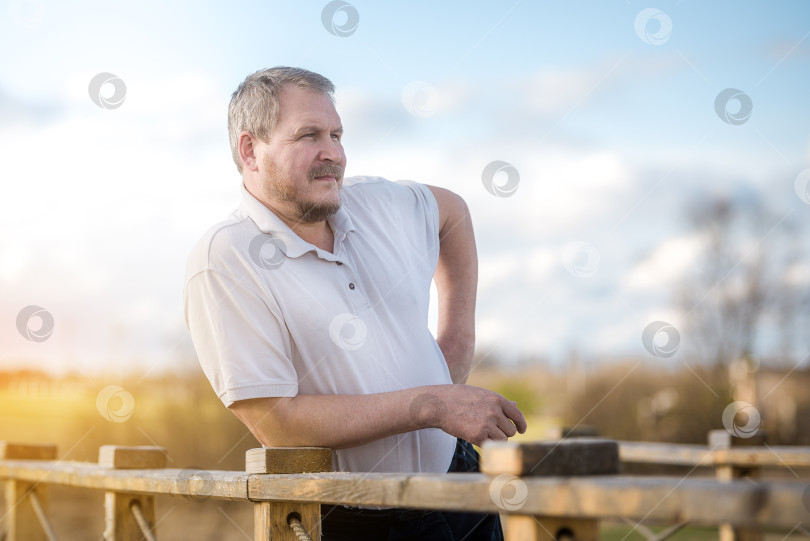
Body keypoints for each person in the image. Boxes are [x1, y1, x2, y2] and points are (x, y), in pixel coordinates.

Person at [184, 66, 527, 540]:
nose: (334, 153)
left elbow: (454, 213)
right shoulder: (224, 258)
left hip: (458, 485)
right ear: (250, 150)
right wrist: (432, 403)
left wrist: (458, 336)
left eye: (337, 134)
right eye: (308, 135)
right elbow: (277, 424)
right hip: (352, 522)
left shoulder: (376, 202)